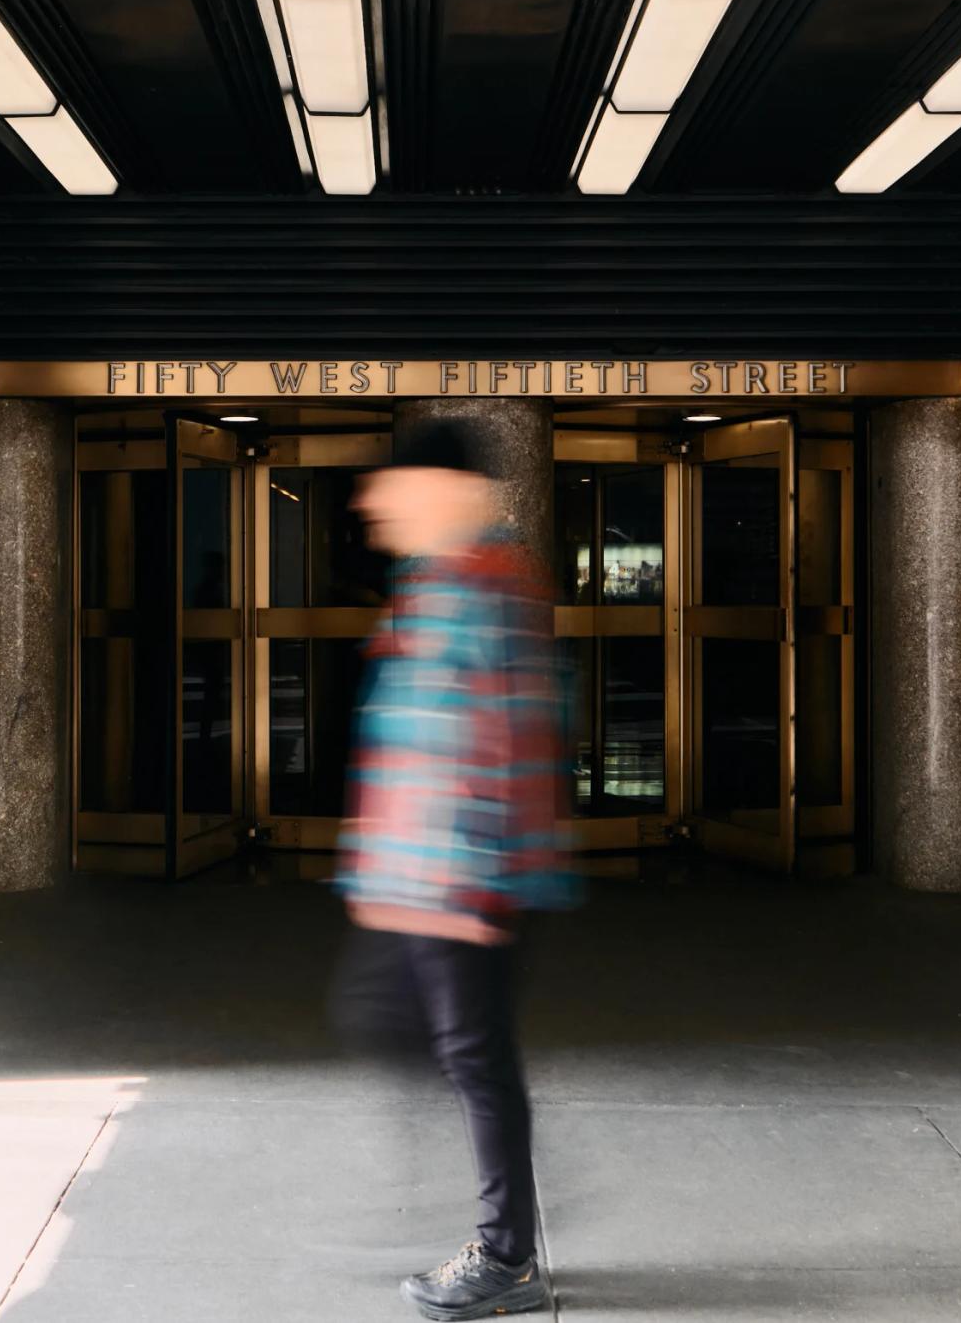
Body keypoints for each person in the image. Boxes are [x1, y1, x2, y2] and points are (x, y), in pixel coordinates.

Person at [334, 419, 573, 1321]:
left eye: (391, 484)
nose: (371, 500)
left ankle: (508, 1252)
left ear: (446, 489)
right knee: (418, 1034)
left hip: (462, 885)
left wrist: (473, 882)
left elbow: (504, 740)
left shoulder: (480, 588)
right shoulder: (439, 584)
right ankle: (509, 1221)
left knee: (473, 1056)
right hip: (423, 881)